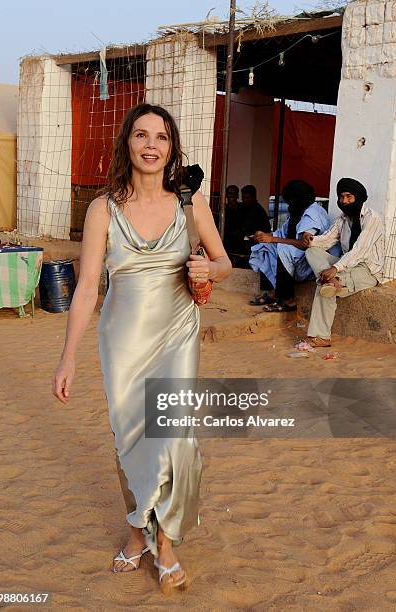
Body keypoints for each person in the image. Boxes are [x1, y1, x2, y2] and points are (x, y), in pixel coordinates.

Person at [52, 103, 232, 591]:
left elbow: (224, 262)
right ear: (127, 144)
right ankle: (136, 534)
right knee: (131, 441)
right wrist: (67, 357)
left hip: (177, 333)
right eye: (141, 136)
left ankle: (166, 543)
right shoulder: (102, 208)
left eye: (161, 137)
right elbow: (88, 286)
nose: (151, 145)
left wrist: (208, 271)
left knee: (173, 439)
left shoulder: (190, 204)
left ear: (171, 148)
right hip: (123, 341)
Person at [303, 177, 384, 347]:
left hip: (367, 270)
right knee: (311, 252)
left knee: (324, 286)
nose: (344, 201)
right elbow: (326, 240)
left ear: (358, 197)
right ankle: (334, 281)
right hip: (345, 264)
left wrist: (335, 268)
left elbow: (360, 250)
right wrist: (310, 239)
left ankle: (321, 337)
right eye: (341, 197)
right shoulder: (343, 219)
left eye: (349, 197)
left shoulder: (372, 218)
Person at [248, 180, 335, 311]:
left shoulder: (312, 214)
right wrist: (264, 236)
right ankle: (273, 292)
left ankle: (289, 300)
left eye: (289, 200)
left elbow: (304, 244)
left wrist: (272, 239)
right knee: (265, 246)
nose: (288, 204)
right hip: (299, 255)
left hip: (312, 261)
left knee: (283, 249)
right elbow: (282, 234)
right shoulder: (298, 211)